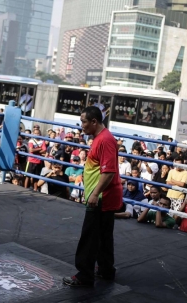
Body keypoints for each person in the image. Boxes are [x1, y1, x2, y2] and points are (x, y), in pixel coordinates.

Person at [63, 106, 123, 287]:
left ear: (94, 122)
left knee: (89, 236)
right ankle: (106, 270)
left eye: (84, 121)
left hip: (102, 196)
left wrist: (95, 193)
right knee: (104, 235)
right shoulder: (102, 138)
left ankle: (84, 275)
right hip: (104, 195)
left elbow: (109, 172)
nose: (81, 125)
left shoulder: (105, 140)